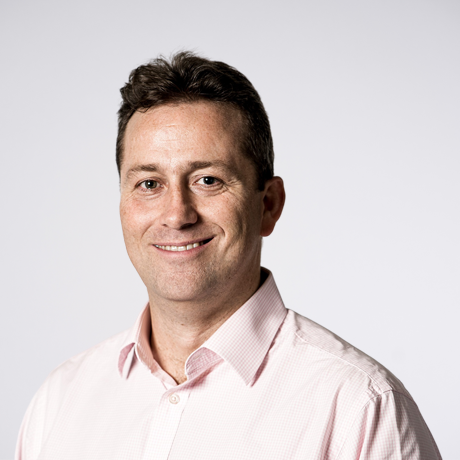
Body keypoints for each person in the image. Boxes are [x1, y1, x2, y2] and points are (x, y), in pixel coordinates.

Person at [15, 52, 442, 460]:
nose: (177, 214)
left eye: (208, 180)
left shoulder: (359, 408)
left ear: (269, 204)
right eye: (149, 184)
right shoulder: (60, 401)